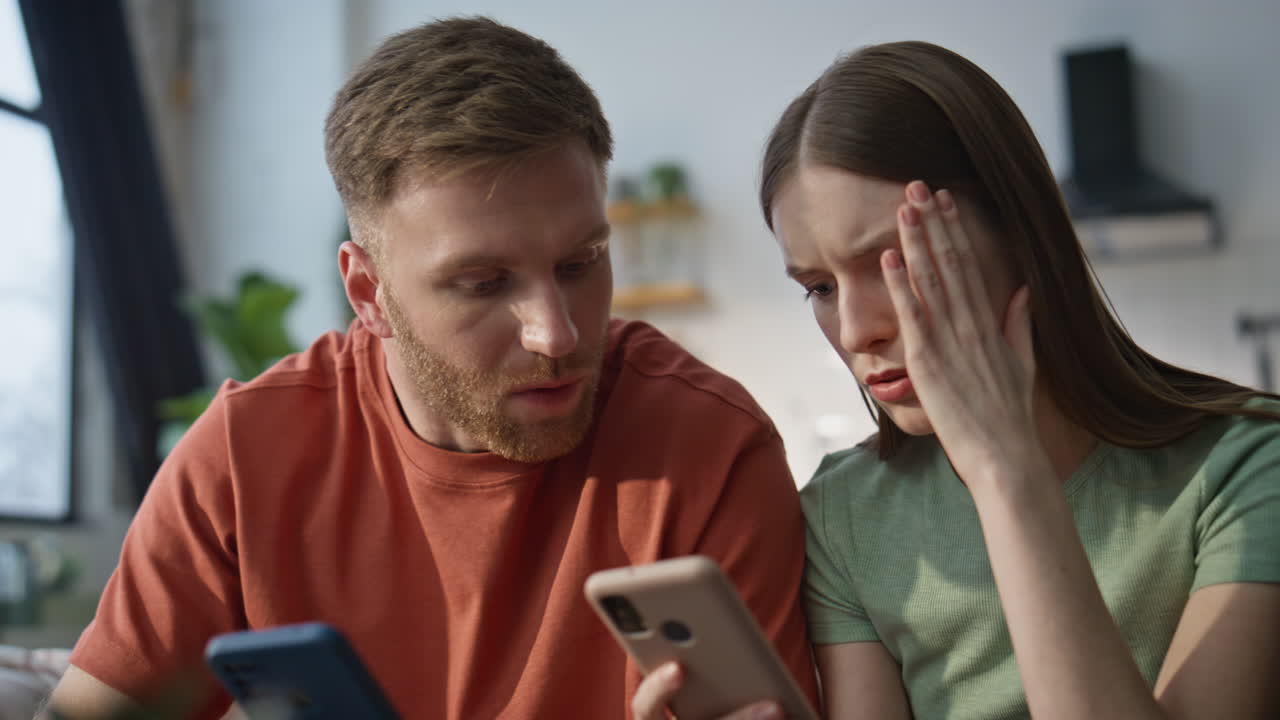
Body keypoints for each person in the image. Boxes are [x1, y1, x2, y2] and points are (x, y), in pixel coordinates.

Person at [42, 17, 818, 720]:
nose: (556, 333)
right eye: (485, 284)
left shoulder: (710, 447)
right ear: (367, 293)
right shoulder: (245, 456)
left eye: (581, 263)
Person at [634, 40, 1280, 719]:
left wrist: (1006, 470)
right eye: (819, 287)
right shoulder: (845, 515)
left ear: (1020, 233)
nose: (856, 332)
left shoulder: (1246, 468)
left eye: (894, 261)